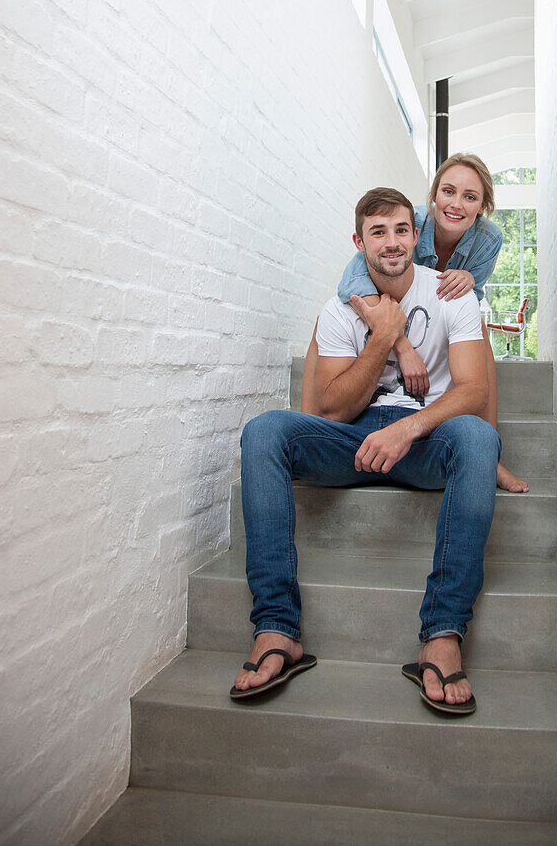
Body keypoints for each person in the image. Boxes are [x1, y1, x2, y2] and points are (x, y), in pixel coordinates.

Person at [231, 188, 501, 715]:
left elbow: (472, 390)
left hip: (425, 439)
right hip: (351, 439)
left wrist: (407, 430)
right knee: (263, 431)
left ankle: (443, 632)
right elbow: (331, 411)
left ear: (415, 235)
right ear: (360, 242)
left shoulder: (454, 296)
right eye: (378, 232)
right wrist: (383, 337)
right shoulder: (338, 309)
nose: (392, 242)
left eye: (401, 229)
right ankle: (277, 628)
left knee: (479, 437)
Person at [300, 153, 528, 494]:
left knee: (478, 329)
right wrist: (401, 345)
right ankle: (311, 427)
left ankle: (488, 454)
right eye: (448, 192)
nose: (456, 204)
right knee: (324, 320)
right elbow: (352, 285)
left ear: (482, 207)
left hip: (434, 320)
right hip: (385, 306)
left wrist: (466, 278)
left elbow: (468, 297)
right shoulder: (405, 221)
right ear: (434, 196)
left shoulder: (489, 240)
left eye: (470, 197)